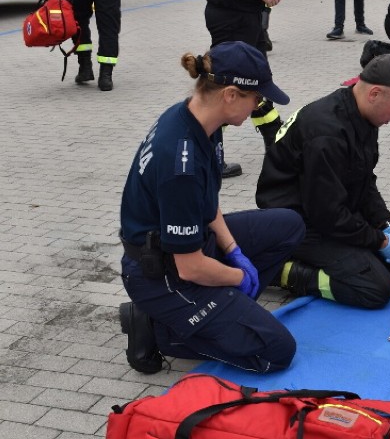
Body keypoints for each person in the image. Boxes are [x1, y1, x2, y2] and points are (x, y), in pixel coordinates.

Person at [117, 41, 305, 375]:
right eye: (256, 98)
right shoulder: (180, 165)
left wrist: (234, 251)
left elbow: (209, 204)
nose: (259, 106)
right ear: (231, 94)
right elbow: (190, 268)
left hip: (187, 247)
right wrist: (239, 276)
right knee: (277, 351)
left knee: (289, 225)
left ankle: (224, 311)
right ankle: (162, 330)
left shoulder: (202, 119)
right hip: (164, 275)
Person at [256, 54, 390, 310]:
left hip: (329, 209)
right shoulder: (327, 133)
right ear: (374, 93)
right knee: (376, 289)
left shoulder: (363, 115)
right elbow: (326, 214)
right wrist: (379, 241)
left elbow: (364, 179)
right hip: (297, 221)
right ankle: (282, 270)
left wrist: (384, 225)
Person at [199, 0, 286, 178]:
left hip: (242, 13)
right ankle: (212, 155)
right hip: (231, 15)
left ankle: (276, 146)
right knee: (227, 87)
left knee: (254, 81)